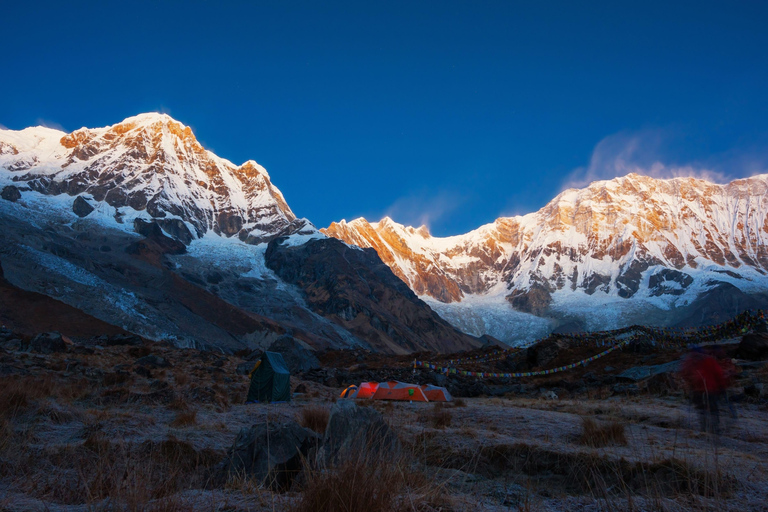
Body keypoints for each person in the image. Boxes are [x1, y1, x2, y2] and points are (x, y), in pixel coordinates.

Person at [680, 347, 727, 434]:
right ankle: (714, 429)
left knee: (701, 410)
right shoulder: (710, 360)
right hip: (711, 390)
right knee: (713, 410)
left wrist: (691, 384)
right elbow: (719, 373)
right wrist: (722, 386)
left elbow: (685, 374)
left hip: (697, 390)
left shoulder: (689, 362)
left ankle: (704, 427)